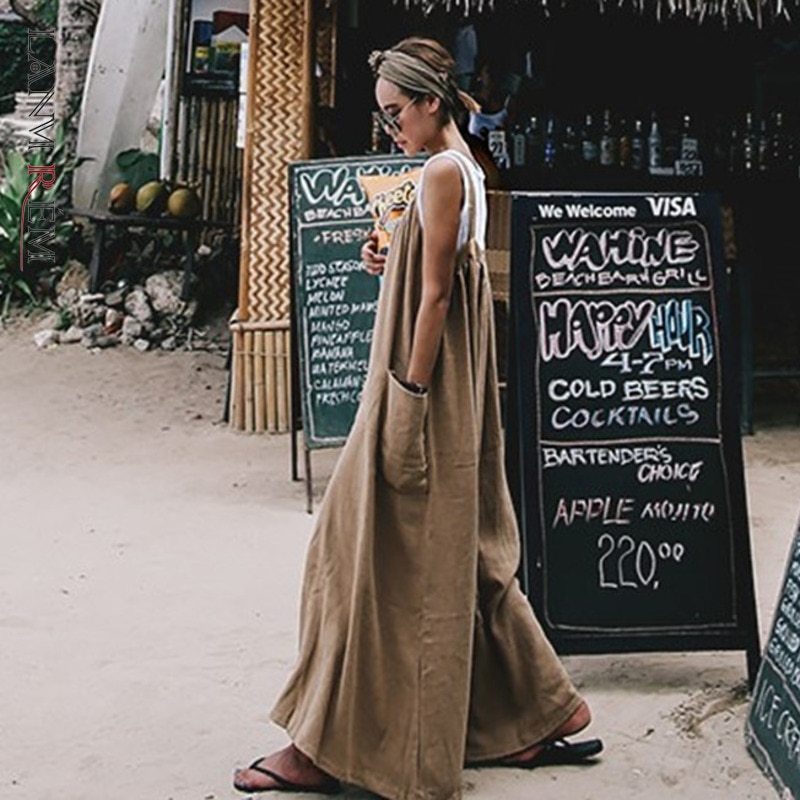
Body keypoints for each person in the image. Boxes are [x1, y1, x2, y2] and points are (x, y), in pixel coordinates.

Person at [233, 37, 601, 799]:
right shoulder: (463, 164)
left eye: (397, 113)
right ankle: (533, 713)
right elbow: (441, 267)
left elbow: (434, 297)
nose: (390, 129)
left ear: (431, 101)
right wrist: (390, 253)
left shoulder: (437, 171)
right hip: (452, 392)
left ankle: (322, 746)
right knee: (454, 553)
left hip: (420, 388)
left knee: (355, 557)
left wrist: (408, 394)